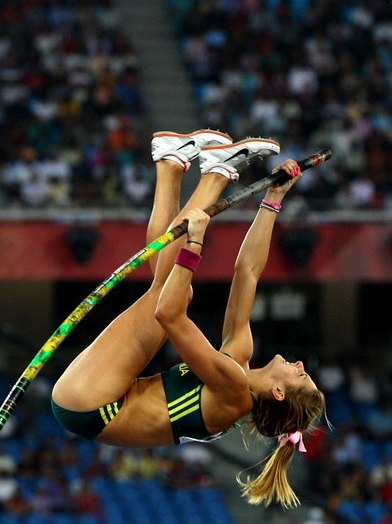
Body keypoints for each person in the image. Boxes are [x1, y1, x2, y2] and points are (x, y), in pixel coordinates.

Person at [51, 129, 326, 508]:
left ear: (278, 393)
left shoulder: (233, 391)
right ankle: (170, 163)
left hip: (92, 405)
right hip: (103, 397)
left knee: (172, 292)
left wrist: (195, 244)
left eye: (301, 375)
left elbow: (169, 314)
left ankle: (216, 174)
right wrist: (272, 202)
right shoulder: (239, 358)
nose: (299, 364)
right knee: (167, 283)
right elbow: (248, 271)